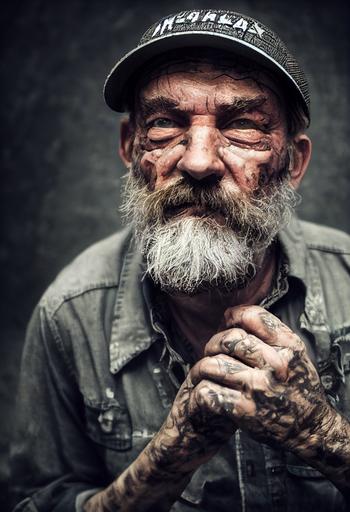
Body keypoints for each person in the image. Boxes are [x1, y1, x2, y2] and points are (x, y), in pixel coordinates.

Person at [10, 9, 350, 512]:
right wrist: (167, 457)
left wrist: (319, 431)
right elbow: (35, 501)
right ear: (131, 148)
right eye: (166, 124)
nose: (198, 161)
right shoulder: (70, 315)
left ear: (292, 162)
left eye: (242, 127)